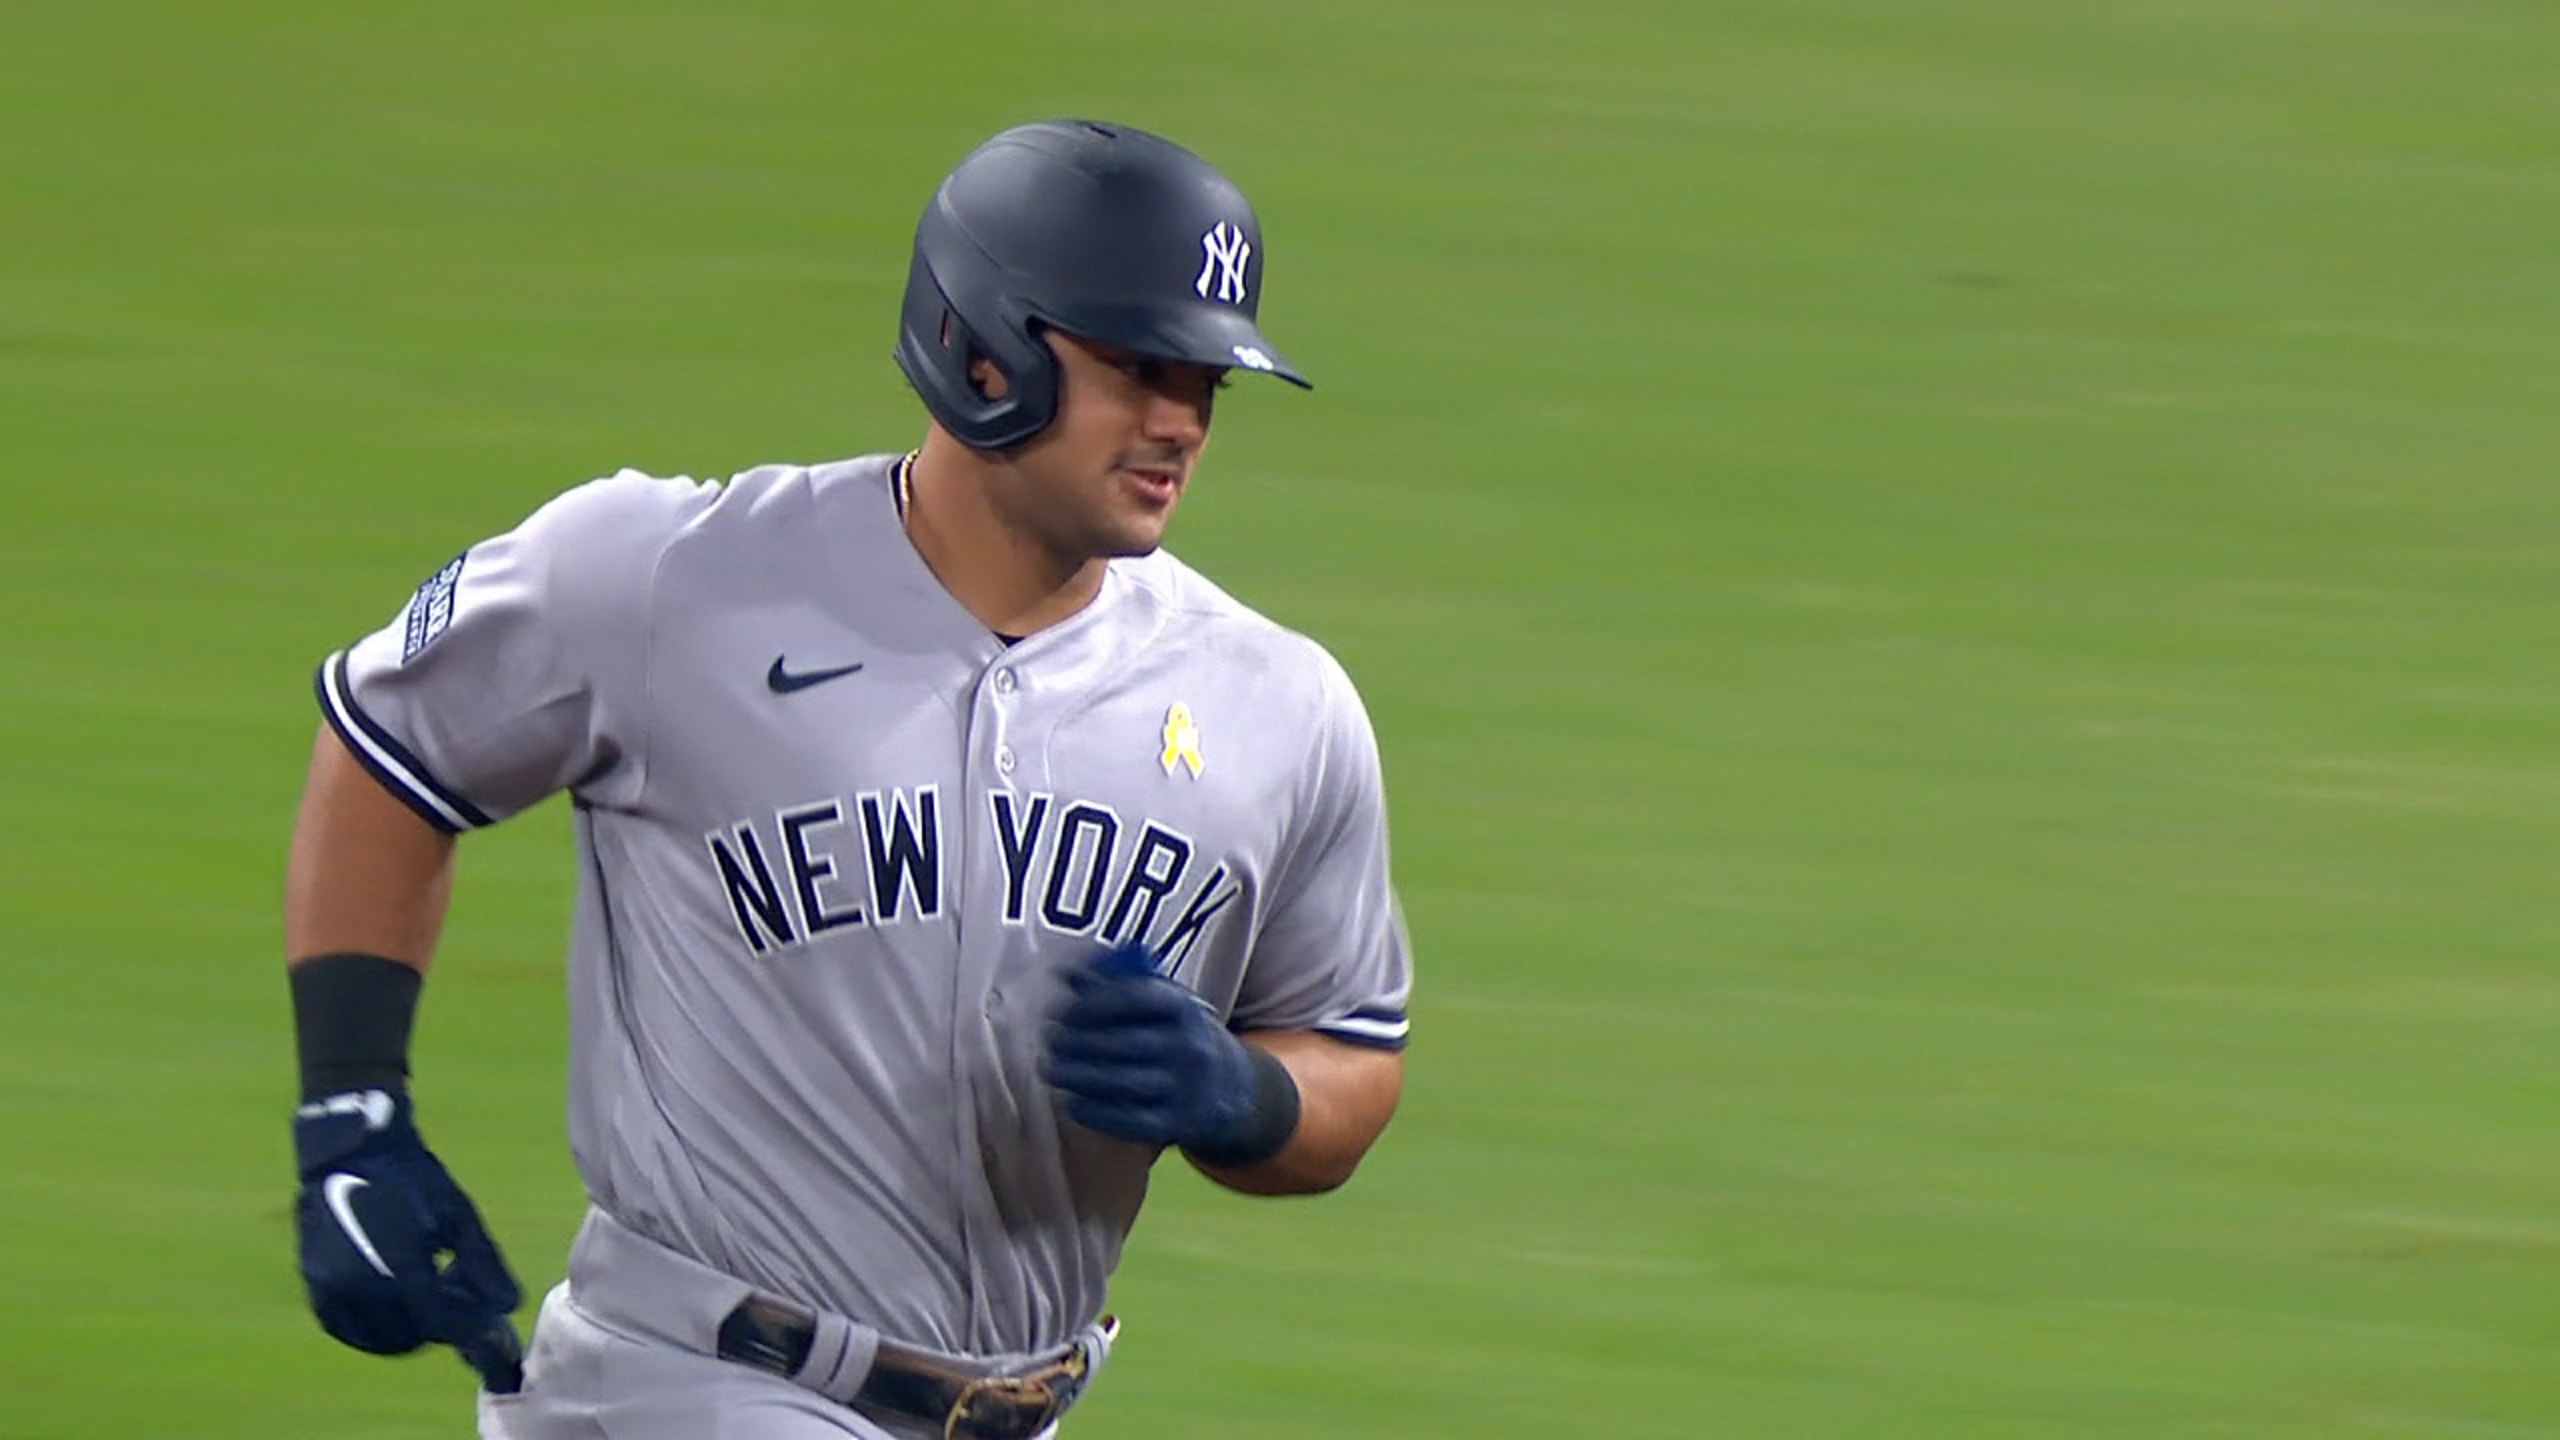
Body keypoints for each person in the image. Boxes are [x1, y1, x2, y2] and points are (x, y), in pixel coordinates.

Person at [281, 118, 1414, 1440]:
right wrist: (352, 1116)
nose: (1181, 424)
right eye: (1136, 366)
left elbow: (1351, 1054)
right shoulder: (668, 577)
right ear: (983, 347)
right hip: (690, 1389)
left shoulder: (1278, 707)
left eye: (1206, 383)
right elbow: (393, 741)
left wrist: (1246, 1096)